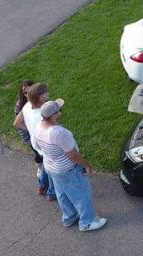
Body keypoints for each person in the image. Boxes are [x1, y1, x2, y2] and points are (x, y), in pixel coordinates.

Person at [35, 99, 107, 232]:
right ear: (54, 115)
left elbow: (38, 146)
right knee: (82, 194)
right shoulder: (59, 133)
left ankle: (69, 217)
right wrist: (86, 165)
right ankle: (87, 222)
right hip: (68, 169)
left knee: (62, 194)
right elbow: (73, 155)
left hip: (52, 168)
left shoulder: (38, 127)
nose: (61, 111)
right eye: (59, 110)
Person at [14, 82, 56, 200]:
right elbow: (52, 128)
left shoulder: (26, 106)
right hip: (46, 145)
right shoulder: (43, 113)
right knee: (51, 167)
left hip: (36, 143)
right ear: (41, 96)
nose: (48, 94)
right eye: (46, 93)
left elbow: (17, 123)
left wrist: (32, 130)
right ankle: (52, 192)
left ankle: (43, 186)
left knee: (45, 165)